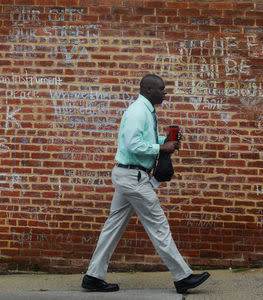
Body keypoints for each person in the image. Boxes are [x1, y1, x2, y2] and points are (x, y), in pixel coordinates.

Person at [81, 74, 210, 294]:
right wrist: (161, 148)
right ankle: (182, 277)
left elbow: (142, 140)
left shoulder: (145, 110)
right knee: (158, 224)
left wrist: (164, 140)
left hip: (128, 176)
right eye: (161, 89)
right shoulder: (138, 112)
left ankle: (93, 277)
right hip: (133, 178)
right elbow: (132, 144)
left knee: (113, 227)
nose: (165, 92)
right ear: (148, 90)